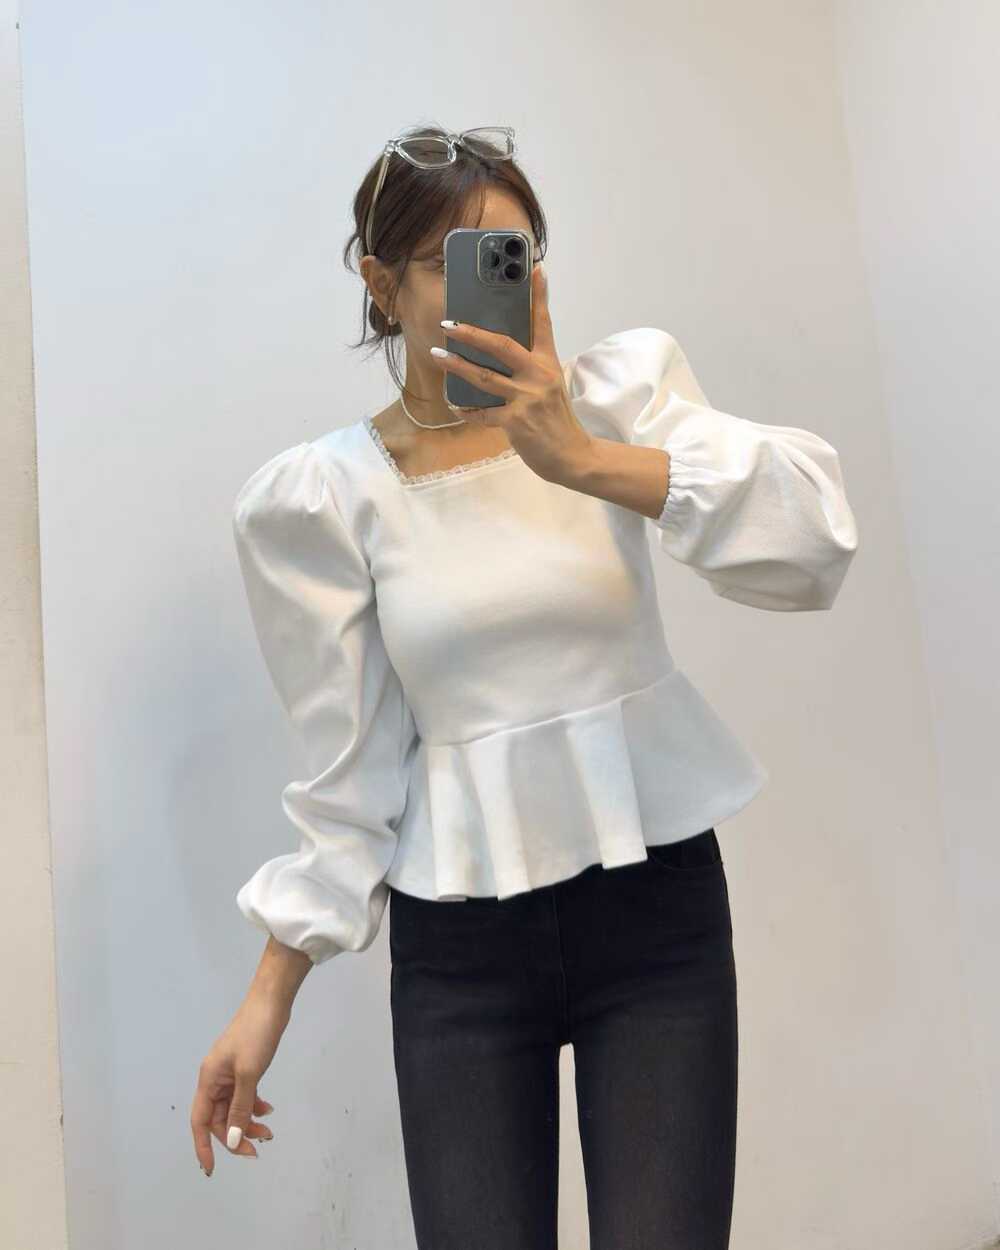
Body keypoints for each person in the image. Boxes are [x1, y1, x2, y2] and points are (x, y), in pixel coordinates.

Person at [191, 123, 859, 1248]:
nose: (492, 288)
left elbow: (814, 538)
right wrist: (268, 994)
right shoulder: (325, 498)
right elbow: (349, 773)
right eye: (450, 264)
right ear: (380, 285)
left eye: (512, 257)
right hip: (461, 955)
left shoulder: (614, 400)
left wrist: (582, 458)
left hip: (655, 917)